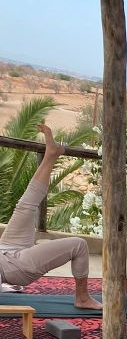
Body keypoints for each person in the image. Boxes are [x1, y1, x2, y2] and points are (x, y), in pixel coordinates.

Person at [0, 124, 100, 309]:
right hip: (14, 266)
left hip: (5, 248)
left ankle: (51, 154)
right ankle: (82, 298)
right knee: (79, 245)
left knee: (25, 205)